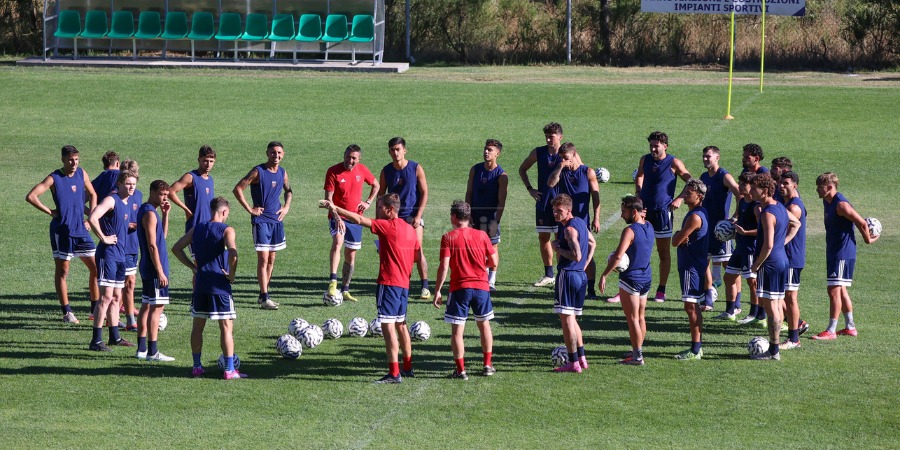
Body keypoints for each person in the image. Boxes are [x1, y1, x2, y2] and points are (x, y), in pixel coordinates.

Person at [320, 194, 420, 384]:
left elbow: (358, 219)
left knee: (388, 326)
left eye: (380, 207)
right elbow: (416, 256)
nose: (376, 210)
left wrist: (334, 208)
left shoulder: (387, 226)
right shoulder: (410, 229)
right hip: (404, 285)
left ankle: (394, 373)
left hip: (389, 283)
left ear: (390, 210)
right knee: (401, 325)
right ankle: (407, 368)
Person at [26, 145, 99, 323]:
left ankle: (95, 310)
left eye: (76, 160)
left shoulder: (82, 174)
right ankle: (67, 312)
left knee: (97, 268)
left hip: (81, 231)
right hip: (63, 231)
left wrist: (91, 218)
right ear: (63, 160)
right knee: (63, 270)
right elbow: (32, 196)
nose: (74, 163)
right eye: (70, 160)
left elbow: (93, 194)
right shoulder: (54, 178)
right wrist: (50, 212)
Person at [172, 197, 243, 379]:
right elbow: (233, 253)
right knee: (226, 327)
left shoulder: (197, 228)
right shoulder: (227, 230)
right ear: (224, 212)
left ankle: (197, 367)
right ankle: (229, 370)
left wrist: (194, 268)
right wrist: (231, 275)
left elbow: (176, 248)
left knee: (197, 327)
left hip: (201, 284)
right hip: (219, 285)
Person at [433, 201, 499, 380]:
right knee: (484, 325)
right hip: (481, 287)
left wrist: (438, 290)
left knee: (457, 331)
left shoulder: (448, 237)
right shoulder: (482, 235)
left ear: (454, 217)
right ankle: (487, 365)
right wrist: (480, 266)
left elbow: (444, 267)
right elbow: (494, 262)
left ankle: (461, 370)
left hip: (459, 288)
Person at [811, 172, 878, 340]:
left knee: (833, 290)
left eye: (819, 187)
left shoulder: (841, 205)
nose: (817, 189)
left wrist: (868, 240)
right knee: (840, 290)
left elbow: (861, 222)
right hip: (835, 251)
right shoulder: (828, 201)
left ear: (829, 187)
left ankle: (831, 330)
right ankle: (850, 327)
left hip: (842, 253)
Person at [233, 141, 292, 310]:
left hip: (276, 221)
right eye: (273, 152)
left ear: (283, 154)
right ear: (267, 153)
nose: (276, 155)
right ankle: (265, 297)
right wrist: (250, 209)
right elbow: (238, 189)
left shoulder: (282, 172)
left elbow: (289, 191)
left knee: (272, 259)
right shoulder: (258, 171)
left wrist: (286, 207)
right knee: (263, 259)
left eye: (279, 153)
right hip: (261, 221)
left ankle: (263, 294)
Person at [635, 131, 692, 302]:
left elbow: (691, 182)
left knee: (663, 252)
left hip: (662, 213)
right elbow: (639, 175)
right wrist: (638, 193)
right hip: (644, 212)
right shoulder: (645, 159)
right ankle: (634, 285)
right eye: (651, 145)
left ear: (665, 146)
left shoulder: (674, 163)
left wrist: (680, 198)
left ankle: (661, 290)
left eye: (656, 146)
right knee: (637, 248)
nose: (653, 149)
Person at [748, 173, 800, 360]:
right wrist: (782, 243)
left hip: (769, 264)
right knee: (777, 305)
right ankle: (774, 348)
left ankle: (773, 350)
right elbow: (796, 223)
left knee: (772, 309)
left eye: (754, 189)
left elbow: (768, 245)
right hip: (782, 260)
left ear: (764, 190)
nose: (751, 192)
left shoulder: (767, 213)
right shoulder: (780, 207)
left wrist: (756, 265)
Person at [87, 171, 138, 351]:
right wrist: (103, 238)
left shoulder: (126, 203)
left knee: (117, 297)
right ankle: (96, 341)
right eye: (128, 183)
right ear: (119, 183)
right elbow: (93, 217)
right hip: (108, 254)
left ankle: (114, 337)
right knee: (106, 297)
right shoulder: (112, 200)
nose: (131, 187)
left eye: (134, 184)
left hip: (120, 255)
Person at [599, 195, 654, 365]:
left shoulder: (629, 231)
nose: (622, 215)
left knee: (633, 319)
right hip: (646, 277)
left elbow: (618, 257)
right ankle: (637, 348)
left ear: (634, 212)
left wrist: (604, 275)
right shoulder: (649, 225)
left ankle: (637, 357)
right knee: (641, 317)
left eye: (624, 212)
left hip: (631, 279)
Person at [323, 144, 379, 302]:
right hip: (337, 216)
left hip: (355, 218)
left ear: (359, 159)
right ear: (344, 155)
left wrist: (368, 202)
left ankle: (345, 289)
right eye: (348, 156)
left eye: (354, 158)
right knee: (338, 241)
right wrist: (337, 217)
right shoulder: (333, 171)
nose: (350, 160)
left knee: (351, 253)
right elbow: (328, 200)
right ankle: (333, 282)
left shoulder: (362, 170)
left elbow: (376, 185)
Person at [378, 137, 430, 299]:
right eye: (392, 150)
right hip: (393, 219)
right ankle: (401, 282)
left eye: (398, 149)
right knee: (395, 253)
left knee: (417, 250)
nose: (395, 153)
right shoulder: (386, 171)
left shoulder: (415, 168)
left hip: (412, 217)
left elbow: (424, 193)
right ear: (389, 152)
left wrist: (418, 216)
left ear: (404, 150)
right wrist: (379, 221)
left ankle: (425, 286)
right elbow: (381, 197)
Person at [547, 142, 601, 298]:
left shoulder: (587, 172)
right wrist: (560, 166)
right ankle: (562, 280)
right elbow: (550, 183)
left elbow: (596, 197)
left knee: (586, 251)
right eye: (562, 158)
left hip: (582, 221)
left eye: (567, 158)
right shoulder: (561, 171)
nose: (565, 161)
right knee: (561, 249)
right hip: (564, 221)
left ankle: (590, 288)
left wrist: (596, 218)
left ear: (574, 155)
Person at [550, 194, 596, 373]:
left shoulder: (569, 229)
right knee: (573, 318)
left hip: (568, 275)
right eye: (554, 210)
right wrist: (584, 265)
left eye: (559, 210)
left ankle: (573, 362)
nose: (555, 213)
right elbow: (593, 243)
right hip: (580, 276)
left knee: (567, 320)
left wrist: (558, 248)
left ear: (568, 210)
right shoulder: (581, 223)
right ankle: (581, 358)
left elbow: (576, 255)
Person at [518, 122, 563, 287]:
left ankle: (561, 274)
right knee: (544, 237)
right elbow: (522, 169)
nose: (548, 139)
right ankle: (549, 274)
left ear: (560, 137)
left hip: (562, 204)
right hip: (543, 202)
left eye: (551, 136)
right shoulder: (539, 152)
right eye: (546, 136)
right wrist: (530, 189)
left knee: (560, 239)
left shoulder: (567, 153)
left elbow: (580, 169)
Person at [135, 180, 174, 361]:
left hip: (148, 266)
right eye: (161, 194)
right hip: (154, 268)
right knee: (156, 308)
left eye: (166, 194)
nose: (165, 197)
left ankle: (142, 349)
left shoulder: (148, 211)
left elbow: (161, 238)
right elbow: (152, 245)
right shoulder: (150, 214)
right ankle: (152, 352)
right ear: (152, 192)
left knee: (146, 306)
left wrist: (165, 216)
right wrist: (160, 271)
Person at [671, 179, 709, 360]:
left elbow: (675, 242)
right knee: (693, 306)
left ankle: (695, 350)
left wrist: (678, 235)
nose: (685, 194)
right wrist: (680, 236)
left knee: (691, 307)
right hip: (695, 264)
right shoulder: (700, 212)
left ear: (699, 196)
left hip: (690, 265)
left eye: (689, 192)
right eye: (685, 191)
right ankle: (697, 348)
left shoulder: (695, 217)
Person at [465, 139, 508, 291]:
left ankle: (491, 280)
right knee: (476, 247)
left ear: (497, 153)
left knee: (492, 247)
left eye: (490, 150)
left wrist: (496, 221)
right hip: (475, 215)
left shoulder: (501, 176)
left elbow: (501, 202)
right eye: (485, 149)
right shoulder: (475, 169)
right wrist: (468, 214)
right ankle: (480, 276)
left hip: (491, 218)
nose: (486, 152)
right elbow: (469, 193)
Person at [718, 172, 761, 323]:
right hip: (739, 248)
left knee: (752, 282)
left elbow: (763, 229)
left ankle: (754, 314)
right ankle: (730, 311)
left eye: (743, 184)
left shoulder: (756, 207)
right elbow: (737, 218)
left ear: (752, 187)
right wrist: (728, 226)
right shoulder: (742, 201)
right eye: (740, 183)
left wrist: (746, 232)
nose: (740, 186)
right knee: (728, 277)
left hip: (750, 249)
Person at [699, 146, 739, 296]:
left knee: (730, 266)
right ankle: (708, 295)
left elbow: (740, 194)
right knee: (705, 261)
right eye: (704, 156)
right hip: (707, 227)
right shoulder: (704, 176)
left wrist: (735, 216)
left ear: (717, 158)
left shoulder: (724, 175)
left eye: (708, 156)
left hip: (722, 229)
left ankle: (736, 302)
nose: (705, 159)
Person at [778, 171, 809, 349]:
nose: (781, 186)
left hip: (791, 257)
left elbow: (783, 230)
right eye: (780, 183)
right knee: (782, 296)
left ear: (795, 185)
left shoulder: (794, 207)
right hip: (786, 257)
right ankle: (797, 325)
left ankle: (794, 339)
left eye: (786, 183)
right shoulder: (787, 203)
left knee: (790, 298)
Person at [168, 145, 217, 235]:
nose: (208, 164)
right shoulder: (190, 177)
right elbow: (170, 191)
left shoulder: (210, 180)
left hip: (208, 227)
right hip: (194, 227)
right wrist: (186, 210)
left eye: (211, 161)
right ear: (199, 160)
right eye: (205, 161)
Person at [120, 159, 142, 332]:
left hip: (134, 244)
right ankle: (130, 320)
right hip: (121, 245)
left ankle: (117, 318)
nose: (131, 184)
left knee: (128, 282)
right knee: (127, 283)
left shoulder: (139, 195)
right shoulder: (115, 196)